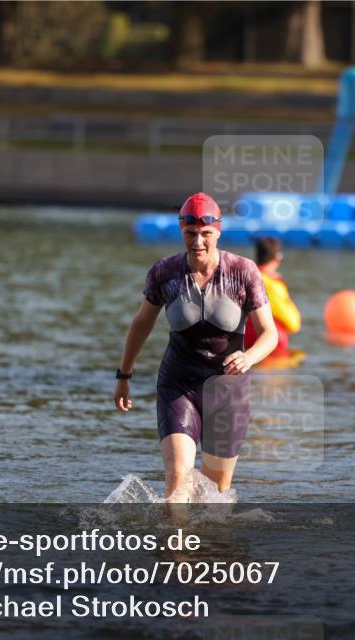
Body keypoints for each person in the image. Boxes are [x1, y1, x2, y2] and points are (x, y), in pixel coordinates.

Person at [114, 193, 279, 502]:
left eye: (206, 234)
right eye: (190, 234)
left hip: (227, 391)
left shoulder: (242, 272)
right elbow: (141, 324)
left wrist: (248, 357)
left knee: (214, 493)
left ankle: (209, 549)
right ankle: (176, 548)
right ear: (181, 232)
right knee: (178, 478)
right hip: (180, 384)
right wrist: (124, 376)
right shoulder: (165, 272)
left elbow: (269, 333)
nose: (198, 242)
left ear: (218, 231)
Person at [244, 237, 301, 357]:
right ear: (277, 258)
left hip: (246, 342)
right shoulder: (271, 284)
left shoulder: (247, 276)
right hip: (270, 347)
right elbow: (293, 323)